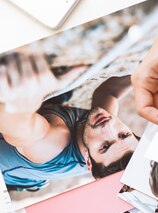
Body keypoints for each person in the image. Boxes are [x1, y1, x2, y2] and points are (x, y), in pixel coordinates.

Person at [0, 53, 139, 191]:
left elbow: (13, 118)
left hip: (12, 174)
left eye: (105, 146)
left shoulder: (50, 146)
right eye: (124, 135)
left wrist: (23, 96)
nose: (108, 127)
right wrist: (149, 70)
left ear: (88, 161)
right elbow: (109, 92)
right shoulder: (105, 128)